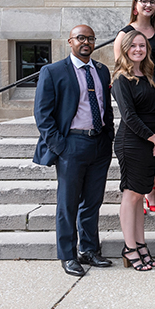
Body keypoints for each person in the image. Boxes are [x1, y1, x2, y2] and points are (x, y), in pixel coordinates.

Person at [33, 25, 115, 276]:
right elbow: (42, 114)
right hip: (72, 144)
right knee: (67, 204)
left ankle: (89, 250)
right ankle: (68, 255)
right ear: (70, 41)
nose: (86, 42)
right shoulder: (53, 71)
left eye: (90, 38)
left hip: (99, 143)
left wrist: (108, 137)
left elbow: (105, 108)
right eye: (81, 38)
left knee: (92, 202)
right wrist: (61, 146)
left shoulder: (101, 71)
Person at [112, 31, 155, 271]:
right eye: (133, 45)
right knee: (131, 194)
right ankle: (129, 247)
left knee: (142, 194)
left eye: (142, 45)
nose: (138, 49)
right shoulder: (121, 79)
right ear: (125, 49)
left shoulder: (149, 75)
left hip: (151, 141)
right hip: (131, 142)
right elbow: (129, 116)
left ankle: (141, 243)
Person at [113, 0, 155, 212]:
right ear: (135, 5)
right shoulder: (124, 33)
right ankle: (142, 193)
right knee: (142, 140)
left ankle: (151, 191)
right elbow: (122, 66)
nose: (148, 5)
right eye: (144, 1)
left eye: (153, 2)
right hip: (136, 90)